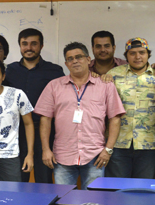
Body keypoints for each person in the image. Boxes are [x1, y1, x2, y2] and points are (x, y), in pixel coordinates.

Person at [35, 42, 125, 189]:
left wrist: (108, 150)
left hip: (95, 155)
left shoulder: (105, 86)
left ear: (89, 60)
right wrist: (46, 149)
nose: (75, 61)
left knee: (92, 200)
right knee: (64, 199)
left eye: (79, 57)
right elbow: (45, 119)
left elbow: (115, 118)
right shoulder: (54, 86)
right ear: (66, 63)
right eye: (70, 59)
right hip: (63, 155)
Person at [105, 37, 155, 179]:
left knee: (142, 189)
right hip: (118, 143)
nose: (137, 57)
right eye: (132, 53)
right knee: (117, 188)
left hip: (149, 144)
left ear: (148, 54)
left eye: (142, 52)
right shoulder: (113, 75)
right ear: (126, 56)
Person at [4, 28, 64, 183]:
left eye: (33, 44)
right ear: (19, 45)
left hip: (45, 132)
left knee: (44, 178)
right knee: (17, 177)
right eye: (24, 44)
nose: (28, 48)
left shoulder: (55, 71)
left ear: (41, 46)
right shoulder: (9, 70)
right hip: (16, 133)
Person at [89, 30, 155, 76]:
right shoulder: (85, 68)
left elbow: (143, 67)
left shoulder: (128, 65)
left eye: (107, 46)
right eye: (98, 46)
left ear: (114, 48)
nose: (103, 50)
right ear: (92, 49)